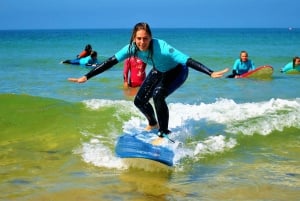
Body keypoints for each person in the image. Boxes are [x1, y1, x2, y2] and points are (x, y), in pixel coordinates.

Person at [68, 22, 228, 138]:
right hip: (159, 70)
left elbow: (187, 60)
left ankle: (164, 132)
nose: (142, 42)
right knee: (139, 101)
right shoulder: (131, 48)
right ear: (134, 38)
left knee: (158, 95)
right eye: (138, 38)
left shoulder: (162, 47)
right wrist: (86, 76)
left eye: (145, 38)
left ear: (151, 37)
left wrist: (210, 72)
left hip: (178, 70)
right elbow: (109, 62)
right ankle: (153, 123)